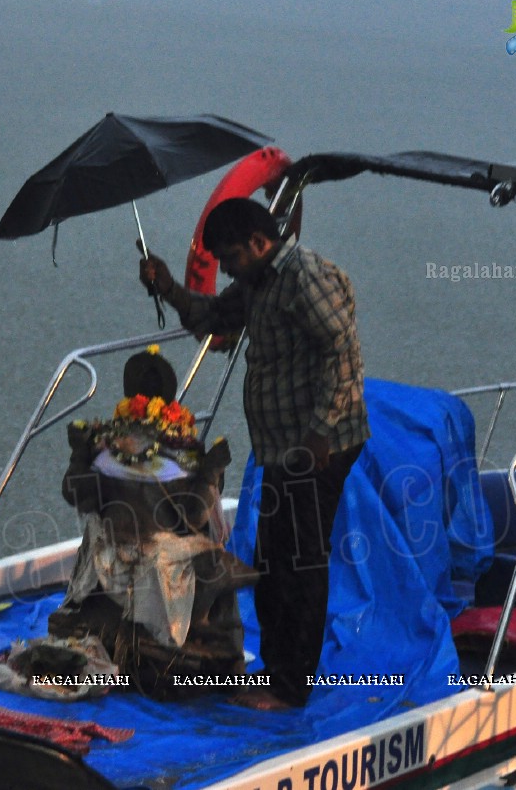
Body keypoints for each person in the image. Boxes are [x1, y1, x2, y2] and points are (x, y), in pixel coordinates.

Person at [138, 197, 369, 710]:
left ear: (259, 244)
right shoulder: (259, 280)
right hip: (285, 446)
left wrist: (320, 432)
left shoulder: (303, 277)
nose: (224, 268)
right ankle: (276, 671)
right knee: (274, 558)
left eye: (229, 257)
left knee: (300, 562)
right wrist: (169, 287)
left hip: (317, 447)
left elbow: (343, 352)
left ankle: (291, 688)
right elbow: (215, 317)